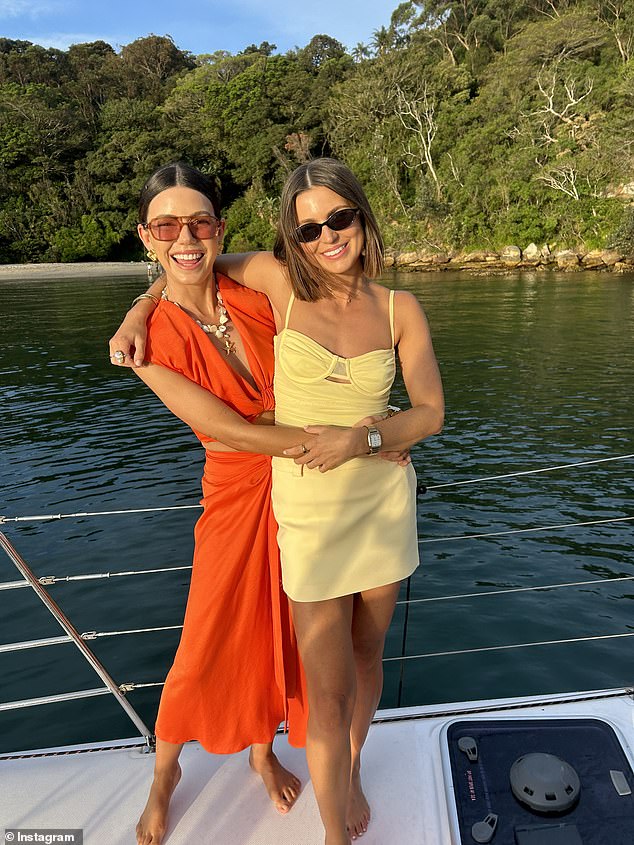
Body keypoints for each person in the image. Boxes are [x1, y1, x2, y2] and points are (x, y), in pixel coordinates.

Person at [111, 157, 444, 845]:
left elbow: (199, 266)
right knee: (211, 636)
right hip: (252, 488)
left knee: (296, 645)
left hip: (330, 488)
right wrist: (140, 306)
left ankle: (273, 756)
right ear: (146, 235)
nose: (185, 236)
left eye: (199, 222)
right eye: (166, 226)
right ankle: (166, 774)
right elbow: (229, 425)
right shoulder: (163, 334)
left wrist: (374, 434)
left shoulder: (259, 292)